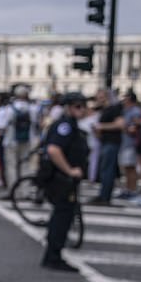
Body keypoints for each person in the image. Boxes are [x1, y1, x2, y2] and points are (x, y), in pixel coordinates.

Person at [39, 92, 90, 272]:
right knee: (61, 217)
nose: (81, 109)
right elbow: (54, 150)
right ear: (68, 107)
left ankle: (53, 253)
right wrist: (69, 170)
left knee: (63, 216)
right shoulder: (65, 126)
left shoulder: (71, 125)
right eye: (77, 106)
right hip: (62, 179)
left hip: (65, 179)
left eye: (83, 106)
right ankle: (53, 256)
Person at [88, 89, 123, 206]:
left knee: (107, 170)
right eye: (98, 97)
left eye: (101, 97)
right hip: (105, 142)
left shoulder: (114, 109)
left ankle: (105, 196)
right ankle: (103, 194)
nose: (99, 99)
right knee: (104, 170)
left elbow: (120, 124)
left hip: (111, 143)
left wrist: (101, 126)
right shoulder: (105, 110)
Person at [1, 86, 34, 194]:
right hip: (27, 140)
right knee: (25, 165)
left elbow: (2, 126)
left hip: (11, 140)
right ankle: (25, 190)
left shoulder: (9, 109)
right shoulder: (32, 108)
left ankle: (14, 190)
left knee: (11, 166)